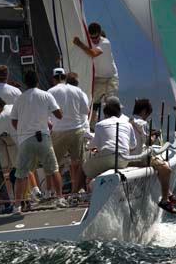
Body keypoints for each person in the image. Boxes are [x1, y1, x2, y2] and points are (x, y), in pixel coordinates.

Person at [11, 70, 65, 214]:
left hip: (25, 140)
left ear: (25, 83)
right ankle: (60, 198)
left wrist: (23, 131)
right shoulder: (46, 95)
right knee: (54, 169)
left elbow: (14, 121)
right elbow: (59, 115)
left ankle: (17, 206)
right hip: (43, 137)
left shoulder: (19, 99)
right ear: (38, 81)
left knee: (21, 174)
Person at [128, 99, 176, 214]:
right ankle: (165, 201)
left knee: (158, 164)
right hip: (140, 159)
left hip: (126, 158)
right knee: (166, 169)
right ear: (144, 111)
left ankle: (169, 194)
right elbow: (148, 142)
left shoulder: (127, 121)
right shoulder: (143, 123)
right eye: (147, 115)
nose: (147, 118)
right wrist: (155, 135)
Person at [48, 68, 90, 194]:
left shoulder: (50, 91)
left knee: (54, 164)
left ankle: (55, 194)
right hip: (77, 130)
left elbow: (47, 113)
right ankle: (77, 191)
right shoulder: (77, 90)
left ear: (54, 78)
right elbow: (85, 111)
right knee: (77, 162)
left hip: (58, 131)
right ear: (65, 77)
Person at [72, 22, 119, 124]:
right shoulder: (88, 42)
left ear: (99, 34)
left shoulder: (105, 42)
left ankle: (112, 124)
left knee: (110, 101)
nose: (94, 40)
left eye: (96, 37)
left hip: (111, 76)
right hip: (98, 77)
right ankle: (92, 125)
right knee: (95, 102)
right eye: (92, 38)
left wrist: (79, 43)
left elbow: (93, 54)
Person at [83, 96, 136, 179]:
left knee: (86, 168)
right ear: (119, 111)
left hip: (107, 158)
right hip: (124, 160)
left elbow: (93, 145)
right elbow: (133, 146)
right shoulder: (128, 124)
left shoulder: (100, 124)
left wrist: (87, 147)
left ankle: (81, 190)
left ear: (105, 112)